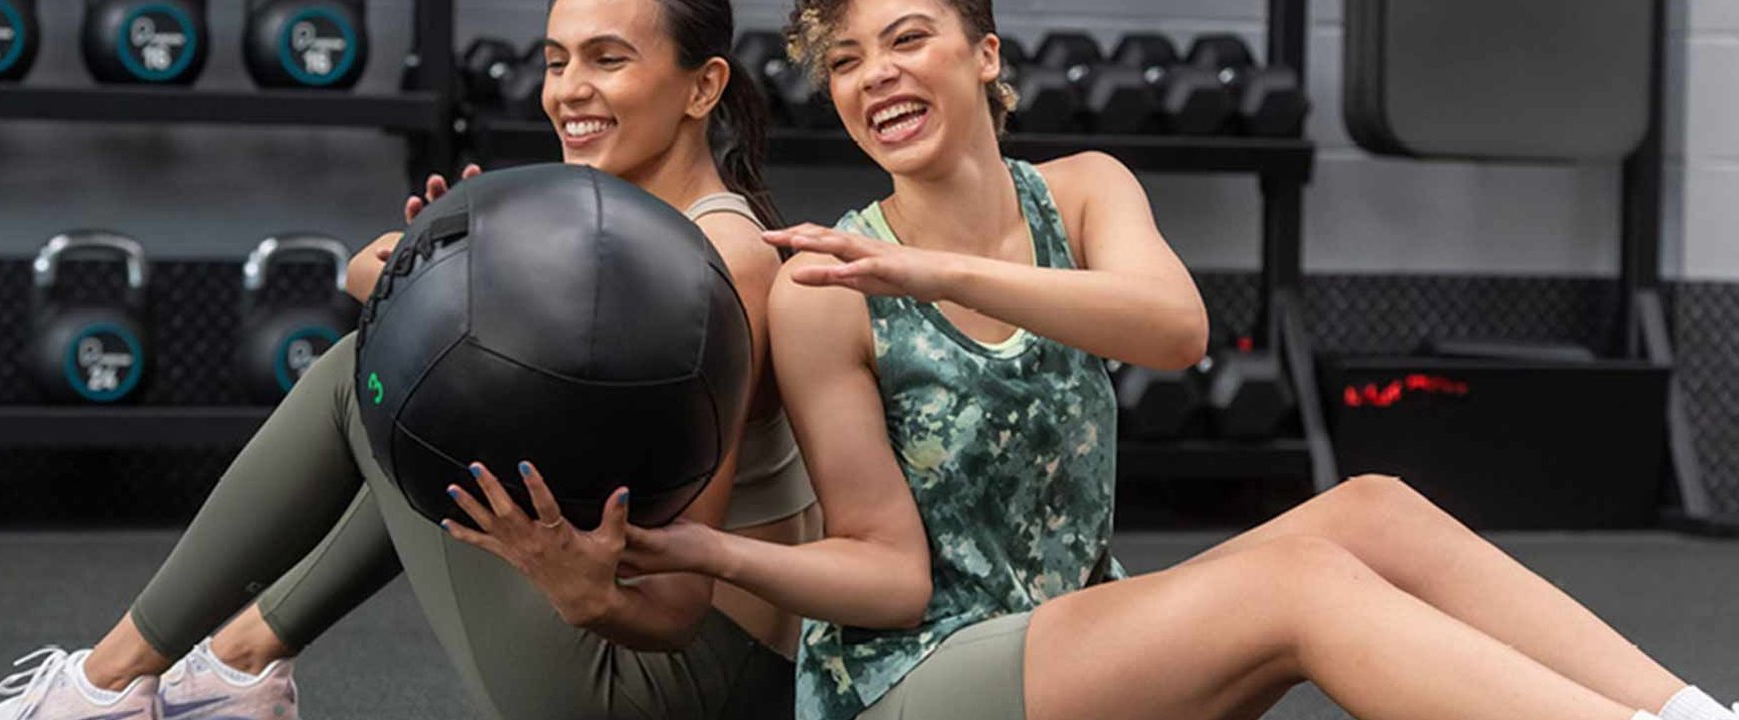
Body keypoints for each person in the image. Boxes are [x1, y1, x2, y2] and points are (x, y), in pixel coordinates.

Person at [614, 1, 1739, 719]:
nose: (877, 77)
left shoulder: (1090, 189)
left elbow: (1176, 329)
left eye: (910, 37)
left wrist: (941, 276)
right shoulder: (831, 290)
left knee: (1375, 510)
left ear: (984, 53)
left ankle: (1688, 714)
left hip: (1077, 635)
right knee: (1298, 585)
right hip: (922, 681)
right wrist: (708, 550)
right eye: (848, 61)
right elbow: (890, 578)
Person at [0, 0, 816, 718]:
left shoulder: (721, 261)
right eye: (555, 61)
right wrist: (440, 271)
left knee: (381, 379)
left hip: (682, 683)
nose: (568, 91)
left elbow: (677, 601)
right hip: (631, 638)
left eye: (608, 60)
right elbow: (380, 271)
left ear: (702, 87)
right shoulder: (606, 223)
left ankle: (107, 686)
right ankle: (230, 672)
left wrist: (431, 280)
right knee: (431, 389)